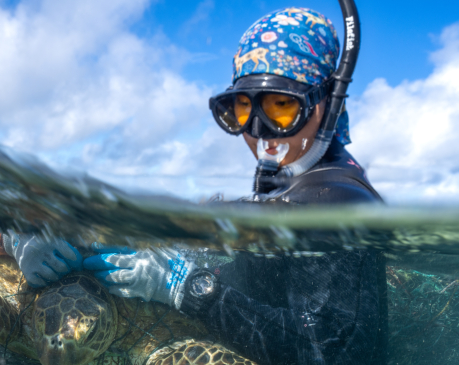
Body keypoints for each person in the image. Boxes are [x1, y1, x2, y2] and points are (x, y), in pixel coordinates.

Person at [83, 7, 387, 365]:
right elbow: (269, 282)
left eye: (281, 105)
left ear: (327, 101)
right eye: (242, 109)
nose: (259, 131)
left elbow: (324, 351)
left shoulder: (336, 204)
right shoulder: (297, 183)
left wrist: (192, 289)